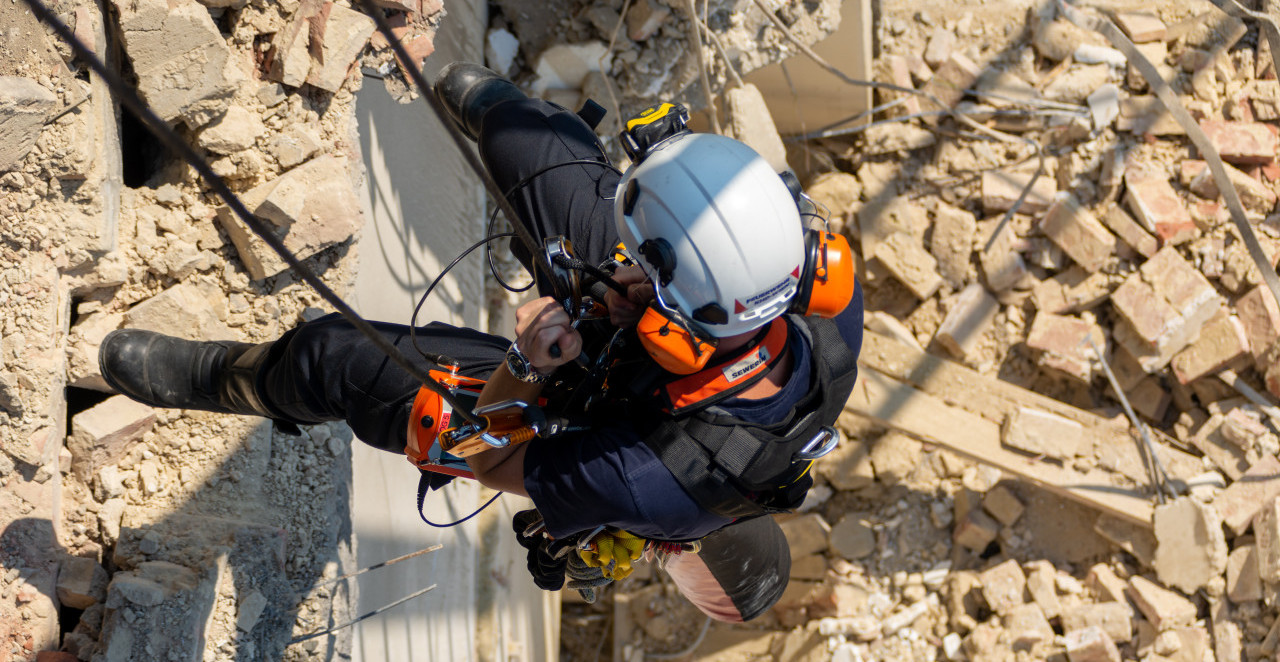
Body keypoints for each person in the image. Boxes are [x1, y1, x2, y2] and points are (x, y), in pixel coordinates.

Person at [98, 62, 864, 622]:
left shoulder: (649, 481)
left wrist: (526, 365)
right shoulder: (822, 304)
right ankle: (487, 104)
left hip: (583, 408)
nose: (620, 270)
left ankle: (222, 377)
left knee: (341, 361)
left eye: (637, 273)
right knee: (542, 146)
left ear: (670, 314)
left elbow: (483, 457)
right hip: (668, 341)